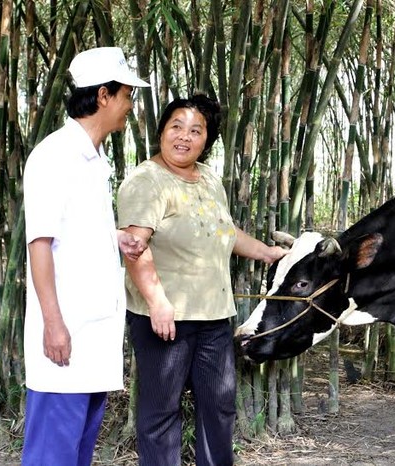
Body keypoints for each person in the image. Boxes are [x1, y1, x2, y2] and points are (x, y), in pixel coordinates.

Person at [117, 94, 287, 466]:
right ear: (161, 130)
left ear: (206, 140)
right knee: (161, 413)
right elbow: (134, 247)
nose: (184, 136)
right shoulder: (146, 181)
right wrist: (158, 303)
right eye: (176, 126)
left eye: (196, 130)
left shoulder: (208, 177)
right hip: (163, 321)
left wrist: (268, 253)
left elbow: (224, 232)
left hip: (213, 318)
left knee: (219, 408)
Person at [21, 47, 150, 465]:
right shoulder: (54, 156)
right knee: (52, 454)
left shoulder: (93, 159)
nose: (130, 105)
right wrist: (53, 324)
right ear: (103, 97)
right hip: (67, 333)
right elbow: (39, 242)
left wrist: (114, 238)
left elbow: (71, 228)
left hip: (93, 335)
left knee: (77, 453)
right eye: (127, 95)